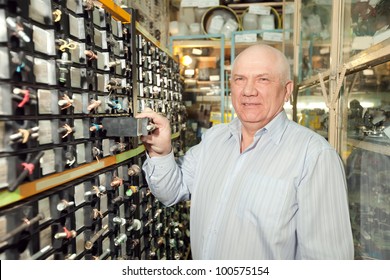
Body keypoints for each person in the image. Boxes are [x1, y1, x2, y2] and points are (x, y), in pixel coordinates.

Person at [137, 44, 354, 260]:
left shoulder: (314, 157)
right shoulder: (214, 139)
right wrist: (161, 151)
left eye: (263, 79)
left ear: (287, 90)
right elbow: (171, 191)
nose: (248, 90)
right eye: (240, 79)